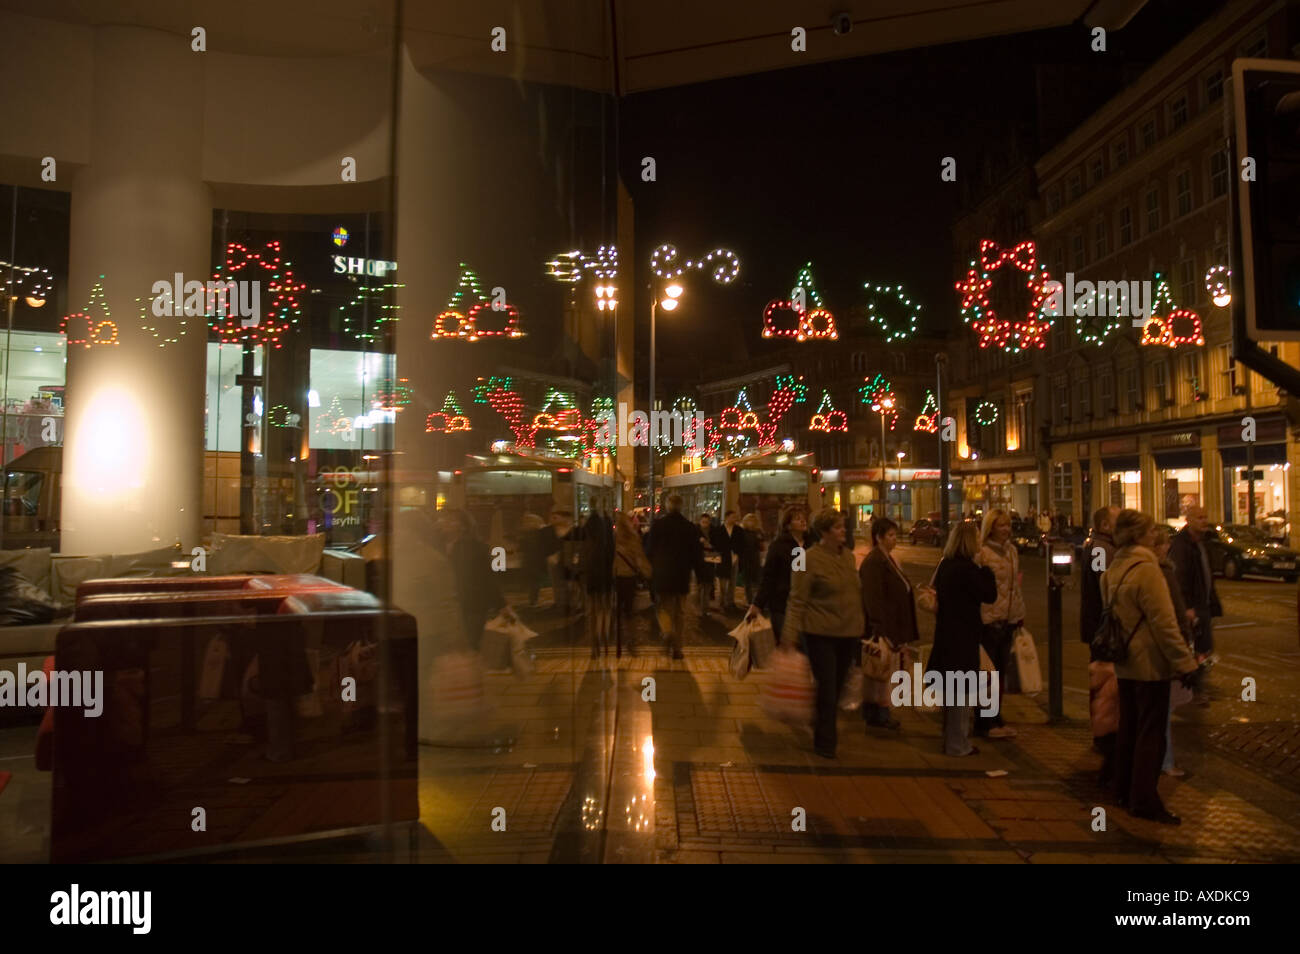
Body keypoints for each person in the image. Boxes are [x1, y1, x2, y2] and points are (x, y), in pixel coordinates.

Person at [1103, 509, 1199, 825]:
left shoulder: (1114, 568)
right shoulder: (1148, 570)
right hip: (1150, 663)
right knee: (1151, 733)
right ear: (1139, 535)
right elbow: (1164, 623)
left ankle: (1122, 789)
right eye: (1148, 531)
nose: (1153, 535)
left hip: (1125, 660)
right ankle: (1144, 799)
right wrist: (1185, 663)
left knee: (1129, 727)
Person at [779, 509, 863, 759]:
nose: (843, 531)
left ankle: (819, 719)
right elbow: (796, 600)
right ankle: (826, 743)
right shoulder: (806, 559)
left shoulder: (848, 557)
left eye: (843, 527)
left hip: (848, 633)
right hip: (819, 633)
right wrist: (789, 634)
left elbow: (855, 595)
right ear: (824, 532)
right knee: (827, 686)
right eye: (838, 527)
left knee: (836, 688)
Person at [927, 521, 998, 756]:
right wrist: (986, 569)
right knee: (962, 692)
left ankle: (952, 739)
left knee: (953, 692)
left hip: (947, 634)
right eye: (976, 538)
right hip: (963, 636)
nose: (980, 542)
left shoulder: (946, 565)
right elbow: (989, 594)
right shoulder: (968, 570)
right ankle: (957, 744)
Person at [859, 516, 918, 731]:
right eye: (890, 535)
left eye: (895, 535)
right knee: (880, 670)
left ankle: (877, 711)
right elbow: (873, 596)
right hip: (882, 626)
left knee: (883, 670)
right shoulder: (875, 561)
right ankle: (878, 713)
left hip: (892, 624)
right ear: (879, 537)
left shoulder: (888, 559)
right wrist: (878, 626)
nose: (894, 539)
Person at [974, 509, 1024, 739]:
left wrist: (1018, 613)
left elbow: (1014, 586)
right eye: (1001, 525)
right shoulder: (982, 553)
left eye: (1008, 525)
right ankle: (985, 720)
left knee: (1001, 673)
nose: (1006, 529)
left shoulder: (1012, 551)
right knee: (987, 674)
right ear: (991, 527)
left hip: (1008, 619)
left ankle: (995, 716)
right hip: (988, 621)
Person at [1081, 505, 1121, 783]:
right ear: (1106, 523)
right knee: (1101, 681)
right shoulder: (1100, 548)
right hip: (1101, 628)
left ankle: (1103, 732)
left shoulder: (1100, 545)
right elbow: (1105, 585)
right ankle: (1102, 734)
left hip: (1097, 626)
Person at [1169, 505, 1221, 705]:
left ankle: (1195, 688)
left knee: (1204, 650)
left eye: (1205, 516)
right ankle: (1192, 690)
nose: (1204, 521)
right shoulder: (1182, 545)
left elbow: (1207, 575)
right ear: (1188, 520)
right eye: (1199, 517)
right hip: (1194, 608)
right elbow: (1179, 578)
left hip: (1203, 605)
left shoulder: (1201, 543)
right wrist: (1187, 607)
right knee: (1198, 650)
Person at [433, 507, 505, 651]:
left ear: (463, 526)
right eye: (443, 519)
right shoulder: (435, 547)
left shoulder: (477, 547)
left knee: (470, 646)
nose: (444, 522)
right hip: (445, 607)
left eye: (451, 520)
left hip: (472, 606)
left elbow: (488, 578)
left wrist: (501, 604)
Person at [647, 495, 701, 660]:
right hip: (682, 576)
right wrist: (697, 574)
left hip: (663, 575)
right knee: (680, 613)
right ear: (682, 506)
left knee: (663, 609)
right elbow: (696, 554)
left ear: (667, 505)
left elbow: (649, 550)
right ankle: (678, 649)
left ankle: (667, 631)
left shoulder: (658, 525)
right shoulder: (690, 527)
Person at [748, 505, 808, 643]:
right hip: (782, 604)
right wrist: (758, 604)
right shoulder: (779, 546)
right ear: (788, 525)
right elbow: (768, 576)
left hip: (806, 606)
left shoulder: (811, 544)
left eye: (804, 519)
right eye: (798, 519)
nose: (803, 521)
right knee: (787, 644)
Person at [581, 510, 614, 658]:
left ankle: (595, 645)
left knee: (593, 611)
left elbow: (582, 562)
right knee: (605, 608)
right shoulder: (607, 542)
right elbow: (612, 560)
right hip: (605, 579)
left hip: (591, 579)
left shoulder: (586, 542)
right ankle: (605, 636)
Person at [696, 513, 725, 613]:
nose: (705, 524)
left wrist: (711, 546)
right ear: (700, 522)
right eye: (703, 522)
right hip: (699, 560)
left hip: (710, 560)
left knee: (708, 583)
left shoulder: (714, 531)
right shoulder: (696, 531)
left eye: (707, 522)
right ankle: (700, 604)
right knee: (700, 584)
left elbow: (719, 544)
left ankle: (705, 606)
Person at [519, 512, 549, 607]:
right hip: (535, 560)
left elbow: (523, 548)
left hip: (530, 560)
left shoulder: (526, 534)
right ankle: (533, 599)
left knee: (533, 581)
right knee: (534, 581)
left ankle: (532, 600)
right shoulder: (539, 533)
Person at [737, 513, 764, 607]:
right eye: (749, 520)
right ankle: (749, 600)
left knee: (757, 581)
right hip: (745, 557)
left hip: (755, 557)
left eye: (753, 520)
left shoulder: (758, 531)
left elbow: (761, 547)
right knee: (747, 581)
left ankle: (757, 600)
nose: (751, 522)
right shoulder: (742, 531)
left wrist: (760, 540)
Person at [719, 511, 743, 610]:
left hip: (735, 557)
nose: (735, 519)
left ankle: (730, 601)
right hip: (723, 558)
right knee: (722, 582)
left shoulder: (738, 530)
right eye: (733, 517)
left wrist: (738, 553)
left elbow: (742, 543)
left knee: (733, 581)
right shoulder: (719, 530)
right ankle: (722, 601)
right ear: (727, 517)